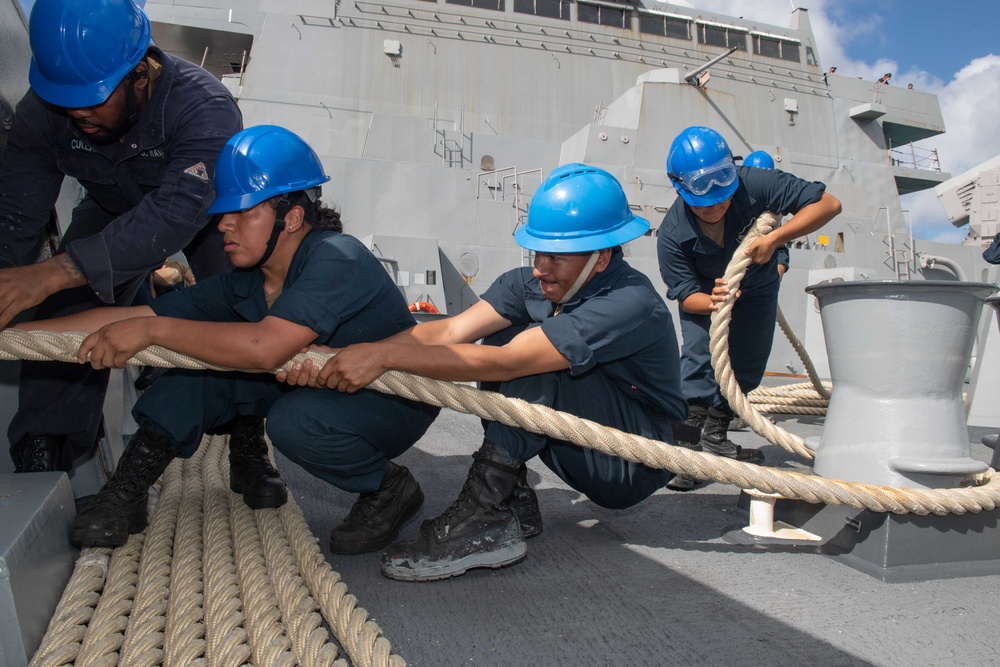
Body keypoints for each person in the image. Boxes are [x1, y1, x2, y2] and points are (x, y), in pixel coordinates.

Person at [15, 126, 439, 551]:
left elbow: (264, 347)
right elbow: (133, 315)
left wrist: (151, 330)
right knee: (199, 363)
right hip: (315, 388)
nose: (223, 225)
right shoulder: (245, 284)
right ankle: (128, 490)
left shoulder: (337, 257)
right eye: (223, 212)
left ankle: (387, 487)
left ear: (289, 217)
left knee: (294, 420)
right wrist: (14, 335)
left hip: (389, 402)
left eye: (242, 212)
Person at [280, 164, 687, 581]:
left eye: (555, 257)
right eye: (536, 253)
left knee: (530, 353)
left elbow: (511, 363)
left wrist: (382, 360)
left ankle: (484, 514)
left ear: (600, 258)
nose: (539, 268)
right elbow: (453, 330)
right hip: (581, 438)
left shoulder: (629, 302)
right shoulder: (534, 285)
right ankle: (510, 497)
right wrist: (346, 353)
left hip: (630, 459)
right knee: (505, 336)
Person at [0, 0, 243, 473]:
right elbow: (16, 216)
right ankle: (45, 451)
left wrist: (55, 271)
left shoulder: (204, 107)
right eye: (65, 99)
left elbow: (176, 210)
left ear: (139, 76)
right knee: (67, 308)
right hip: (111, 208)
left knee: (239, 304)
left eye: (92, 99)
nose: (76, 112)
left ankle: (248, 440)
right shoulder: (46, 111)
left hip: (204, 214)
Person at [657, 127, 841, 491]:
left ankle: (716, 436)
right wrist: (713, 301)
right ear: (680, 187)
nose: (715, 204)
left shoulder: (754, 183)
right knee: (696, 364)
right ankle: (688, 450)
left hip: (757, 288)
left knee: (748, 363)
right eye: (702, 198)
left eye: (723, 192)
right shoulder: (672, 234)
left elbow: (829, 204)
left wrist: (775, 239)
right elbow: (684, 294)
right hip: (707, 298)